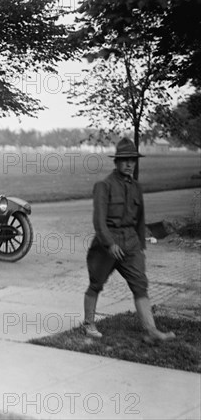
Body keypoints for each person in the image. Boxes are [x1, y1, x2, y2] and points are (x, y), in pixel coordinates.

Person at [83, 137, 176, 343]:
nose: (129, 164)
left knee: (140, 285)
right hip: (106, 245)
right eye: (125, 160)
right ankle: (89, 323)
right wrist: (110, 243)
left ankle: (151, 331)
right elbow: (99, 221)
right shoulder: (103, 186)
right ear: (116, 162)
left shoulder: (136, 187)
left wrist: (140, 246)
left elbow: (140, 219)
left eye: (132, 160)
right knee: (96, 284)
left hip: (131, 243)